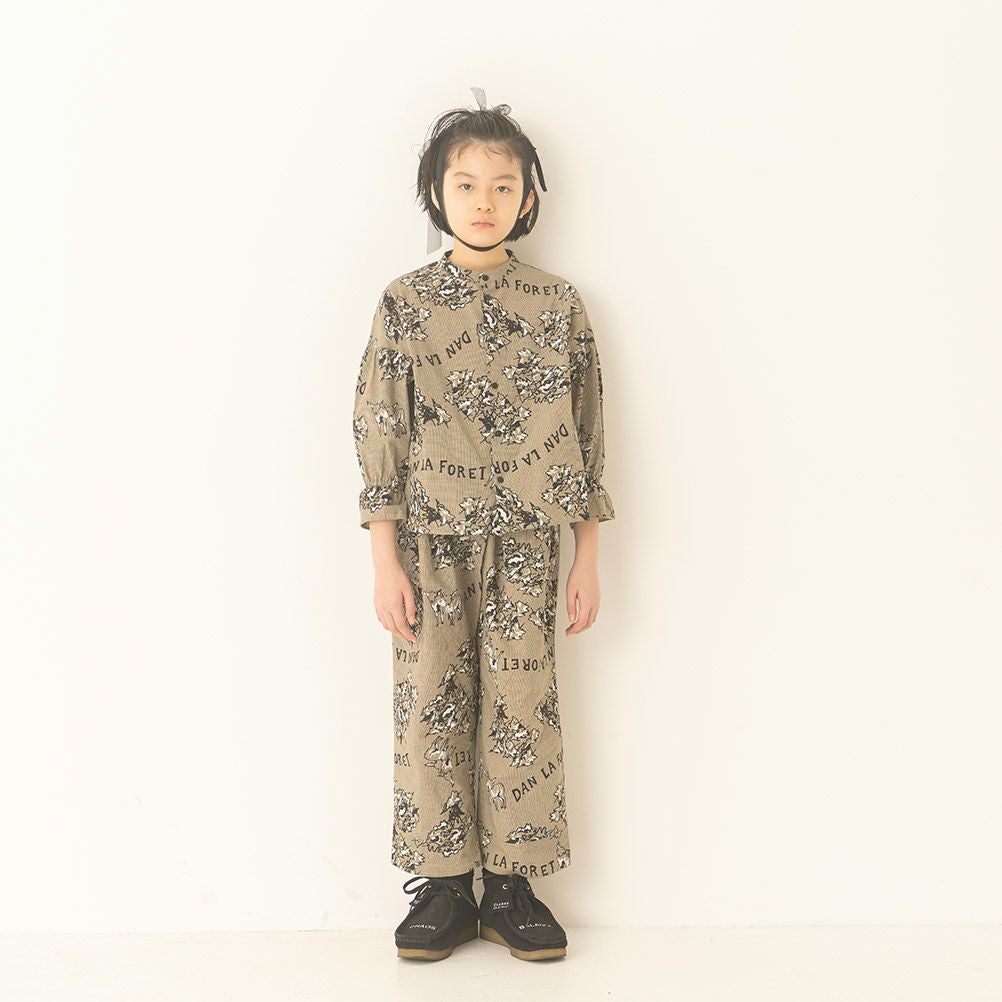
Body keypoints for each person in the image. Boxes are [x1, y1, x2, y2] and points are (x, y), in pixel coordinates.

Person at [351, 87, 616, 962]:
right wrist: (385, 561)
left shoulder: (558, 304)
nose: (484, 202)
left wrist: (586, 556)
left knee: (522, 706)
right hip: (431, 542)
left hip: (530, 545)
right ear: (436, 192)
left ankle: (511, 885)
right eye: (465, 184)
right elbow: (380, 429)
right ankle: (440, 886)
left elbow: (587, 433)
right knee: (431, 702)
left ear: (528, 197)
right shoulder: (405, 303)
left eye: (503, 186)